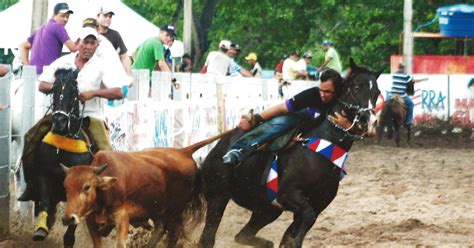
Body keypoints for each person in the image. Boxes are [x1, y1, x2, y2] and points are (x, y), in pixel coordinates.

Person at [18, 26, 127, 201]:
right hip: (61, 113)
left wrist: (93, 93)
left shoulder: (101, 66)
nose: (89, 46)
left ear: (97, 46)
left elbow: (119, 92)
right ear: (77, 43)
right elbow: (42, 84)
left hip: (90, 117)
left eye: (93, 43)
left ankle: (110, 198)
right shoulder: (63, 61)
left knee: (107, 155)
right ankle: (32, 185)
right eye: (86, 42)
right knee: (30, 137)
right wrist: (62, 88)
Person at [222, 69, 351, 166]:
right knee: (281, 122)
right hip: (300, 119)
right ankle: (238, 150)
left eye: (327, 92)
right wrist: (256, 118)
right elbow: (282, 108)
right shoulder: (312, 94)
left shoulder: (342, 103)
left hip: (316, 131)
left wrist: (347, 125)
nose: (323, 95)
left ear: (337, 91)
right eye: (321, 90)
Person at [19, 2, 77, 74]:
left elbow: (23, 46)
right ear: (54, 15)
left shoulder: (42, 28)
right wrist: (82, 40)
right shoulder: (58, 27)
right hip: (47, 74)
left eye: (67, 17)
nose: (66, 19)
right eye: (62, 16)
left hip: (33, 74)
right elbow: (73, 49)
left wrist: (27, 66)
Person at [132, 24, 179, 90]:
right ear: (160, 32)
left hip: (133, 74)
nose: (169, 38)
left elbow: (134, 54)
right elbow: (161, 64)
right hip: (143, 78)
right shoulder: (158, 44)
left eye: (171, 36)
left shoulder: (149, 40)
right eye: (167, 35)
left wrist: (139, 65)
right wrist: (174, 80)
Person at [388, 62, 428, 126]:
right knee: (411, 105)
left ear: (398, 67)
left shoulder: (394, 74)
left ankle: (382, 119)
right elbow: (413, 81)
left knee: (385, 104)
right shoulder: (406, 75)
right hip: (401, 95)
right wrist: (423, 79)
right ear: (403, 68)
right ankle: (408, 121)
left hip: (392, 94)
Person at [96, 6, 132, 76]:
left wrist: (129, 75)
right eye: (105, 16)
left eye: (110, 17)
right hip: (93, 74)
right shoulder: (90, 32)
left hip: (109, 75)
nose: (108, 19)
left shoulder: (115, 35)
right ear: (97, 16)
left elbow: (124, 56)